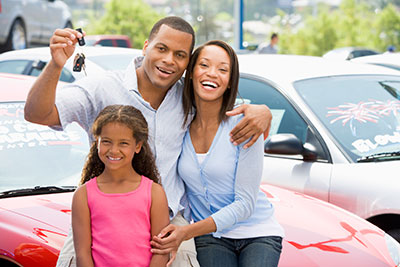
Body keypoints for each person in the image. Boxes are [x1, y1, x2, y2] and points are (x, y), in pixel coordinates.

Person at [24, 16, 272, 267]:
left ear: (187, 63)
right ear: (145, 47)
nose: (168, 60)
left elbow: (220, 103)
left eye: (180, 54)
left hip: (169, 229)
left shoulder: (188, 99)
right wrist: (56, 65)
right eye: (161, 49)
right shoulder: (103, 87)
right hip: (99, 223)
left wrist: (263, 112)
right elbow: (37, 114)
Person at [151, 40, 284, 266]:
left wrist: (187, 232)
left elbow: (245, 204)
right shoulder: (179, 126)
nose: (212, 74)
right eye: (204, 65)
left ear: (230, 82)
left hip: (257, 233)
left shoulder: (245, 125)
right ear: (191, 73)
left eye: (223, 70)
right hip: (211, 237)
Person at [72, 105, 169, 266]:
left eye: (123, 143)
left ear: (138, 146)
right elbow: (83, 254)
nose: (114, 150)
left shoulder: (154, 193)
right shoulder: (83, 195)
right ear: (97, 142)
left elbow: (161, 251)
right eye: (107, 142)